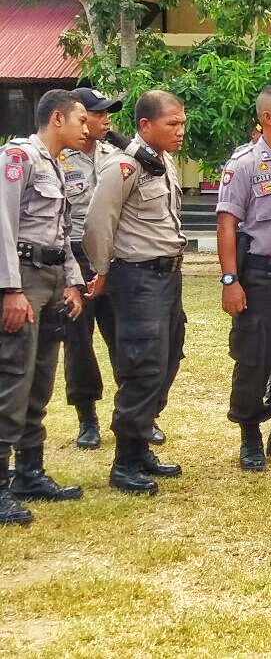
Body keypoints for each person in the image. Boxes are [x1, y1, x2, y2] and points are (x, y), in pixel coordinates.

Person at [83, 90, 187, 495]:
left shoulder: (165, 162)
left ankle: (141, 444)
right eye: (171, 123)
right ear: (146, 126)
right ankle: (124, 462)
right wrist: (103, 270)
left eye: (182, 122)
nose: (180, 130)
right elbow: (97, 223)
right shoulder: (123, 167)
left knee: (167, 358)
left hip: (169, 276)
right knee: (142, 366)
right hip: (138, 277)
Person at [0, 90, 88, 524]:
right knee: (13, 375)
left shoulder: (57, 164)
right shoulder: (18, 157)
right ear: (57, 118)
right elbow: (3, 223)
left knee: (41, 375)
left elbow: (60, 231)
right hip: (23, 277)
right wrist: (9, 289)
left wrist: (72, 280)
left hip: (51, 278)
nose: (87, 128)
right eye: (81, 120)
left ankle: (29, 471)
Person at [216, 86, 271, 472]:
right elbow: (226, 223)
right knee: (254, 356)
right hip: (260, 274)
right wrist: (229, 279)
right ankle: (249, 432)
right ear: (268, 117)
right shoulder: (246, 162)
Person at [59, 88, 121, 450]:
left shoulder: (116, 155)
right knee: (78, 341)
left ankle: (132, 416)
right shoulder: (59, 161)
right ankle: (87, 418)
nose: (105, 119)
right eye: (98, 113)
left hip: (114, 258)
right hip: (76, 259)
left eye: (107, 112)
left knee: (124, 339)